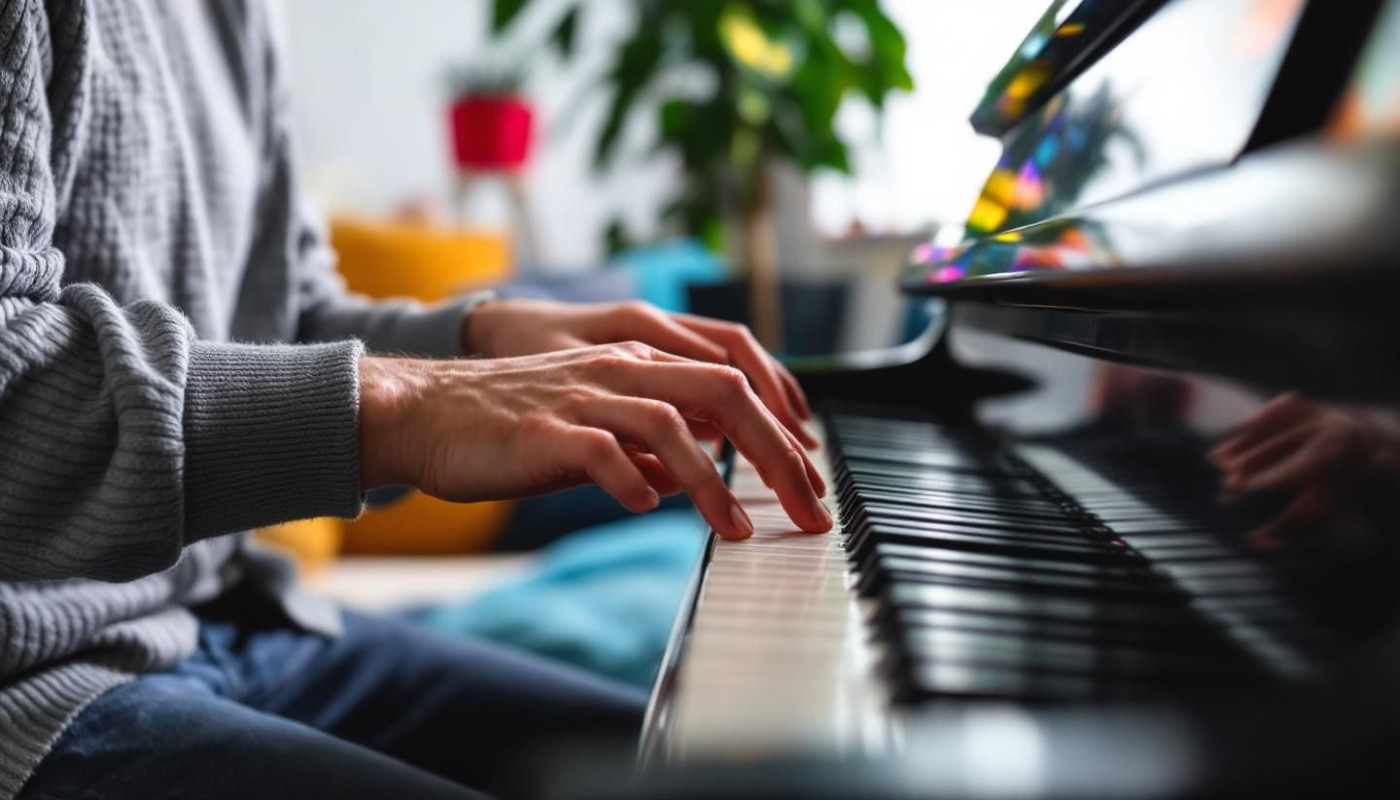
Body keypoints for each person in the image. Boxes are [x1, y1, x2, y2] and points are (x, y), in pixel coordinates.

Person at [0, 2, 832, 798]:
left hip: (227, 614)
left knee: (733, 780)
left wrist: (479, 340)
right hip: (35, 687)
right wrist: (411, 406)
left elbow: (277, 312)